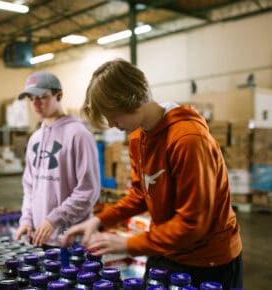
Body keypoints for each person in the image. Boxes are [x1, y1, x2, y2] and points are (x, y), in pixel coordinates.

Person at [61, 59, 243, 289]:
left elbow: (193, 224)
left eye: (113, 116)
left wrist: (128, 244)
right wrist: (99, 220)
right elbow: (141, 194)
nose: (112, 125)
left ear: (132, 101)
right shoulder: (139, 137)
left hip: (208, 261)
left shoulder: (187, 140)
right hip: (167, 250)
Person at [14, 71, 100, 249]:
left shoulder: (79, 135)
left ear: (59, 95)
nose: (35, 103)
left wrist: (55, 219)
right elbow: (29, 187)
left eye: (42, 97)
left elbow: (88, 190)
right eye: (31, 98)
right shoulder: (35, 138)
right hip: (39, 238)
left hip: (70, 241)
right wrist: (27, 220)